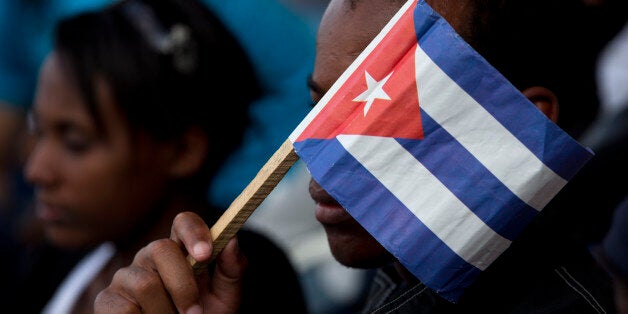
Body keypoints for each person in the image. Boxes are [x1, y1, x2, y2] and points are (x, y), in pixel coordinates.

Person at [95, 0, 618, 312]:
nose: (320, 162)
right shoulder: (396, 279)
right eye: (319, 109)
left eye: (378, 114)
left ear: (521, 127)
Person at [3, 0, 308, 312]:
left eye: (75, 142)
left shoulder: (239, 278)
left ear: (182, 151)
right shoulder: (55, 259)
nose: (36, 171)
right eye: (37, 132)